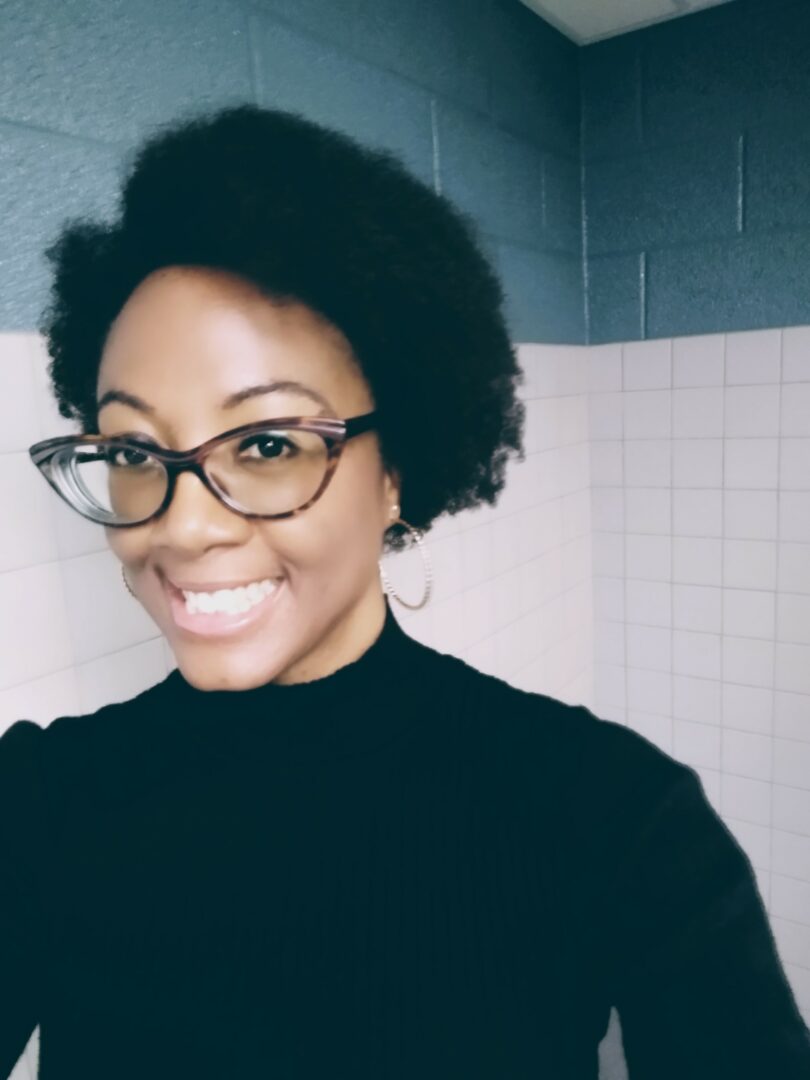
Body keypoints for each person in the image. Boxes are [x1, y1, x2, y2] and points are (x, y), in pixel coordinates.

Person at [4, 104, 809, 1079]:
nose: (180, 527)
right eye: (134, 452)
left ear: (397, 471)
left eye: (268, 444)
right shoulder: (40, 802)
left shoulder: (610, 816)